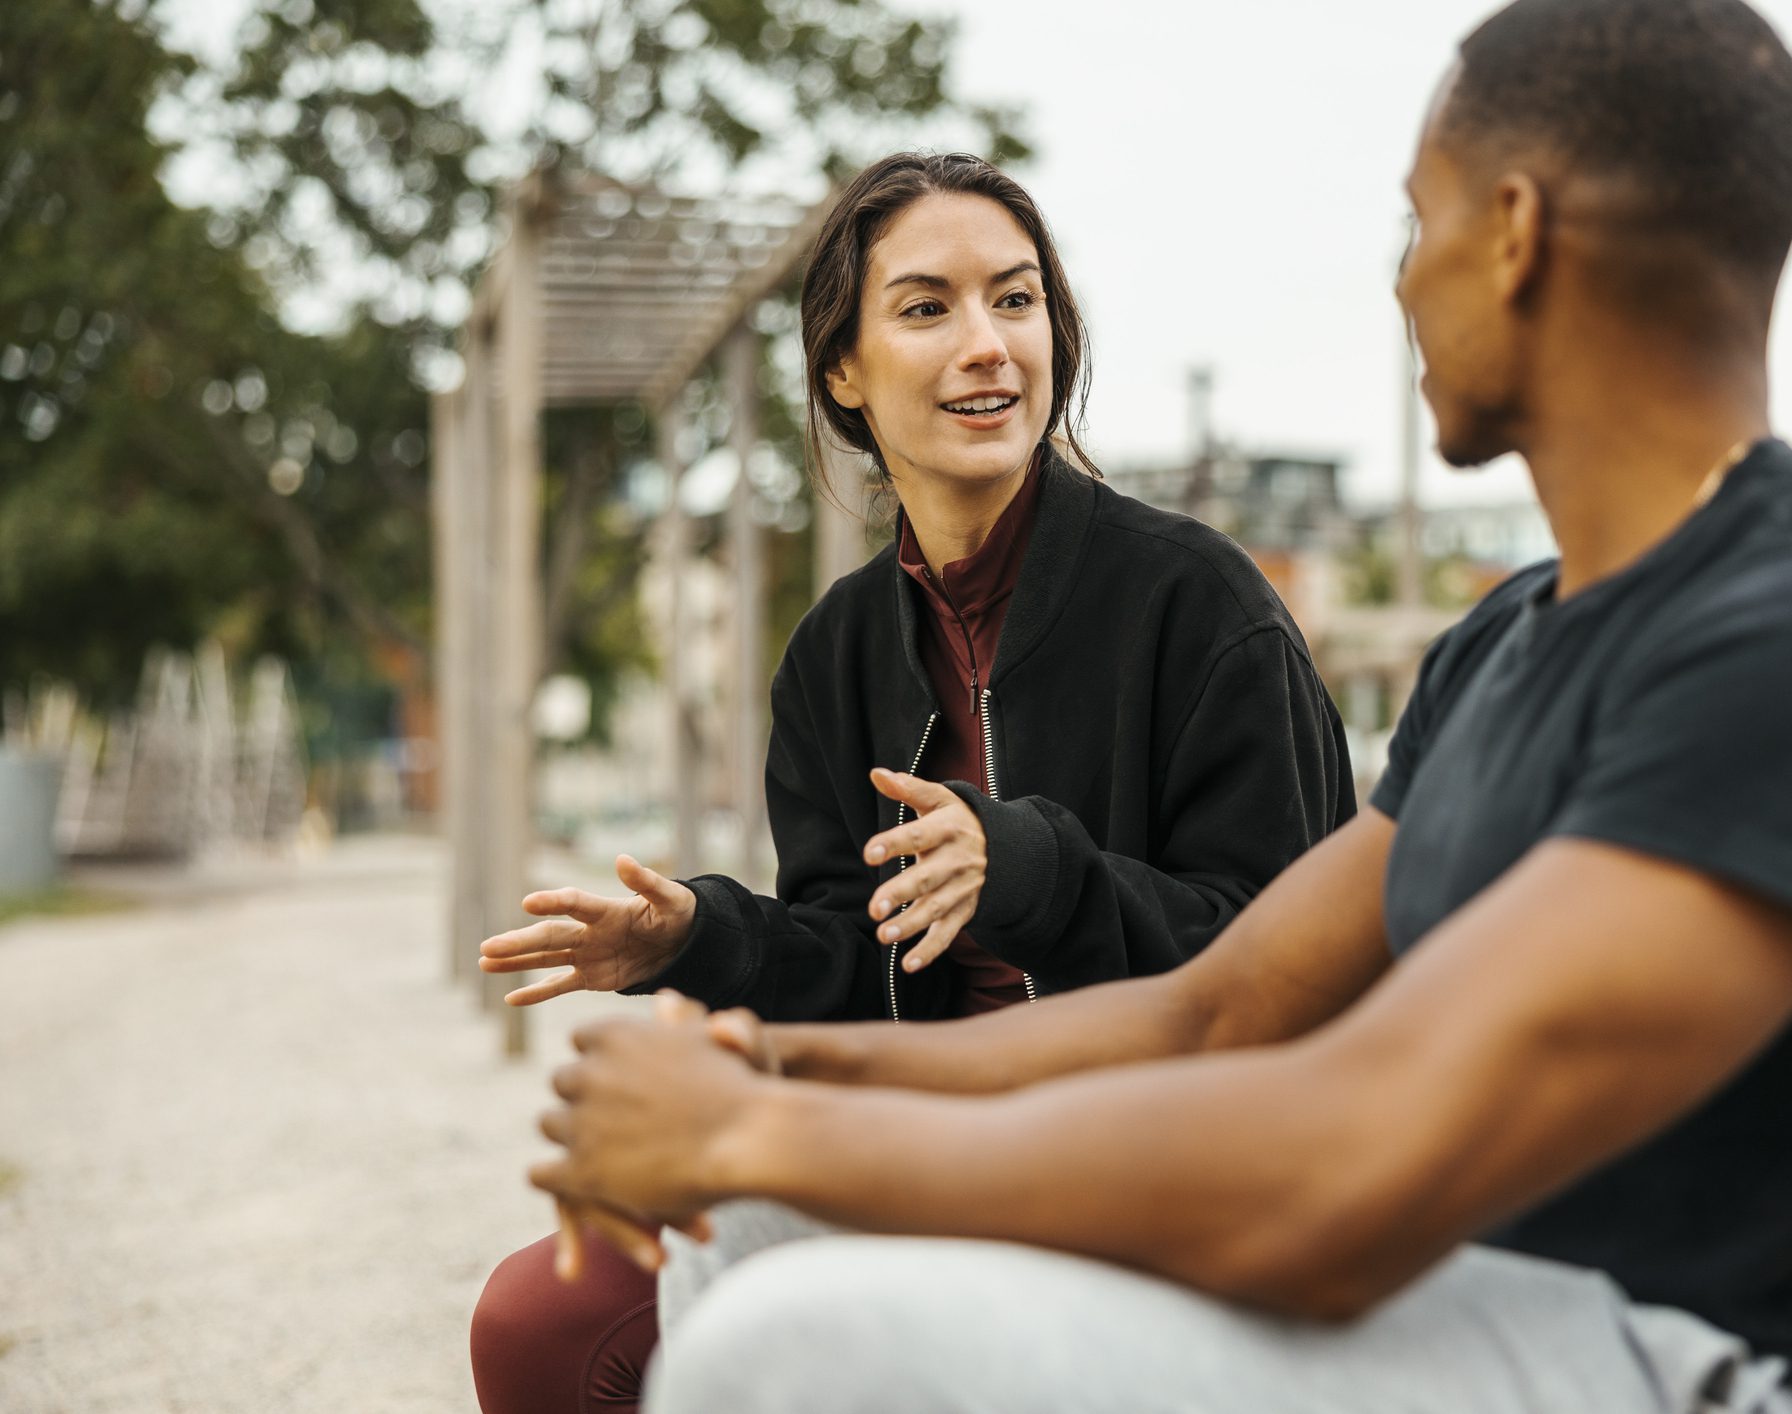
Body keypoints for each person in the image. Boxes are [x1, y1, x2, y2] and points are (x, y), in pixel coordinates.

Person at [525, 2, 1792, 1412]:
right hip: (1515, 1305)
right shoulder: (1513, 640)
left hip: (1752, 1365)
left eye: (1419, 222)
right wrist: (770, 1076)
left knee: (789, 1343)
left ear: (1514, 234)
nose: (1402, 278)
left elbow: (1348, 1161)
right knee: (759, 1233)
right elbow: (1214, 1013)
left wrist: (758, 1127)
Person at [466, 152, 1356, 1413]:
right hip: (908, 1139)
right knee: (540, 1324)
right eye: (928, 307)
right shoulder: (834, 653)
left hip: (1151, 1160)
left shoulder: (1202, 607)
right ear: (843, 368)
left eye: (1016, 298)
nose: (987, 344)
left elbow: (1292, 968)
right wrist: (696, 936)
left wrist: (1030, 870)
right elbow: (854, 958)